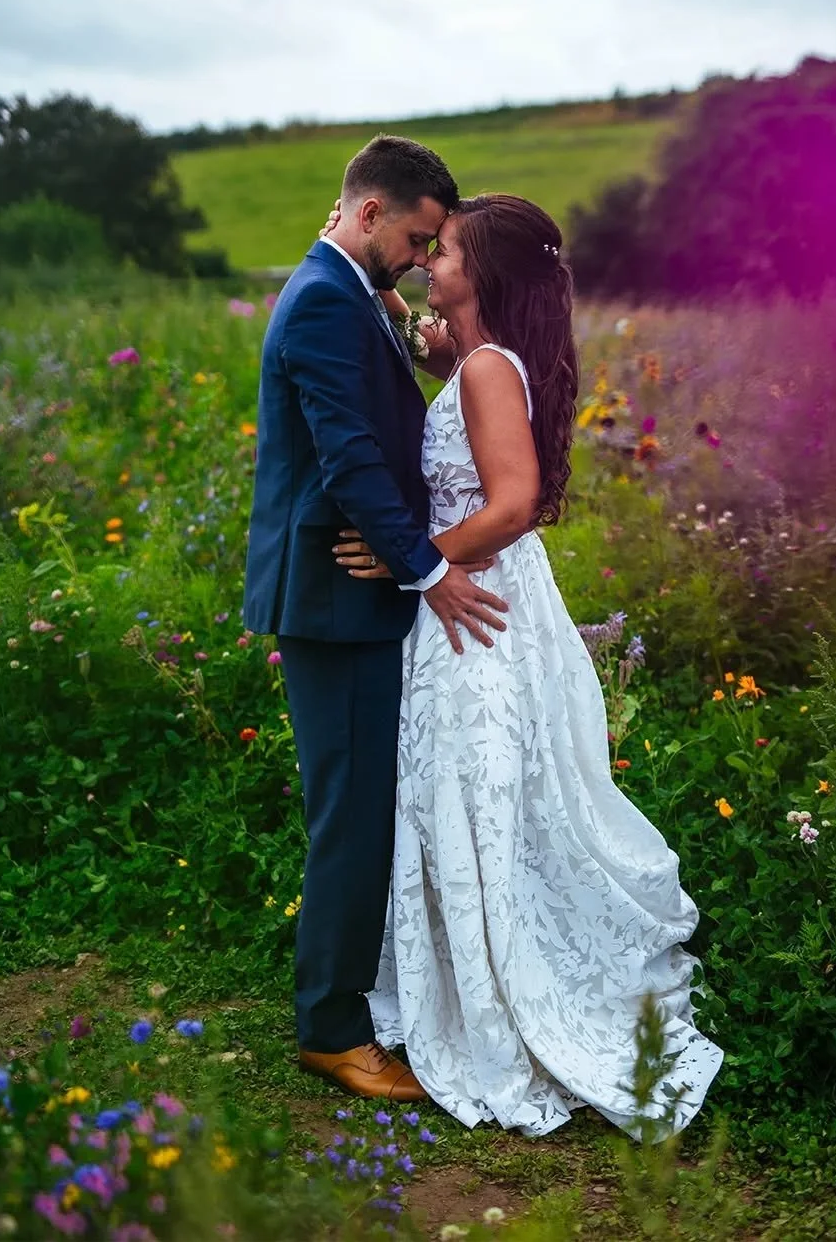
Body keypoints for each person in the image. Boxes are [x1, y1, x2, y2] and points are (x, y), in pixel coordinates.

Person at [330, 194, 724, 1138]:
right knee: (474, 790)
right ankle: (477, 965)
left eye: (448, 250)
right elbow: (454, 368)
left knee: (477, 787)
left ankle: (507, 991)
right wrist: (409, 323)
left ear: (488, 273)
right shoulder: (474, 360)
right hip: (482, 592)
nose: (430, 257)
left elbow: (514, 503)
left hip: (475, 600)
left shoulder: (487, 374)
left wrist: (412, 561)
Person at [242, 136, 509, 1103]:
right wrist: (428, 567)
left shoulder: (347, 289)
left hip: (350, 586)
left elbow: (377, 415)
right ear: (365, 214)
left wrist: (399, 320)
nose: (417, 257)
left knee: (359, 807)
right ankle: (332, 1030)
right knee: (349, 816)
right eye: (413, 237)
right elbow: (349, 455)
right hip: (333, 596)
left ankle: (348, 1006)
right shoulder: (322, 299)